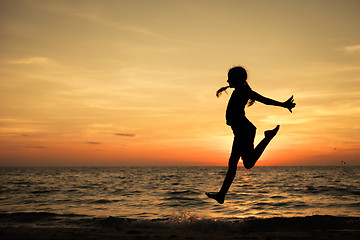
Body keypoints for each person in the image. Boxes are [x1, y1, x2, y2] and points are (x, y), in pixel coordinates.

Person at [206, 66, 296, 204]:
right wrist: (283, 105)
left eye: (229, 77)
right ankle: (221, 195)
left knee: (241, 163)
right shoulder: (240, 90)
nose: (227, 80)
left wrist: (283, 105)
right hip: (241, 130)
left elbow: (265, 100)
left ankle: (268, 137)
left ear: (237, 79)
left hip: (244, 130)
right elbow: (264, 100)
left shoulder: (244, 91)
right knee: (240, 164)